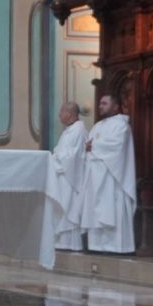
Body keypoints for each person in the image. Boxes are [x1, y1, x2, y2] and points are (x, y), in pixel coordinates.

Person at [80, 94, 136, 253]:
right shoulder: (97, 126)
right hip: (95, 175)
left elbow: (117, 147)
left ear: (116, 106)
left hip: (112, 176)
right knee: (95, 210)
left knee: (112, 208)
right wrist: (89, 148)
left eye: (104, 103)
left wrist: (94, 147)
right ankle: (97, 246)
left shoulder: (122, 125)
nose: (100, 106)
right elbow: (88, 146)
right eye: (100, 103)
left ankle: (117, 247)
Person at [52, 101, 88, 251]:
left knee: (69, 207)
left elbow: (74, 157)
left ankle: (71, 243)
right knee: (62, 207)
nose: (59, 115)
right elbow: (59, 151)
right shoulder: (68, 131)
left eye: (62, 112)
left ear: (70, 114)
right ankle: (62, 242)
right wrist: (55, 157)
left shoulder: (79, 131)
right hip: (63, 176)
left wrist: (57, 159)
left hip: (71, 178)